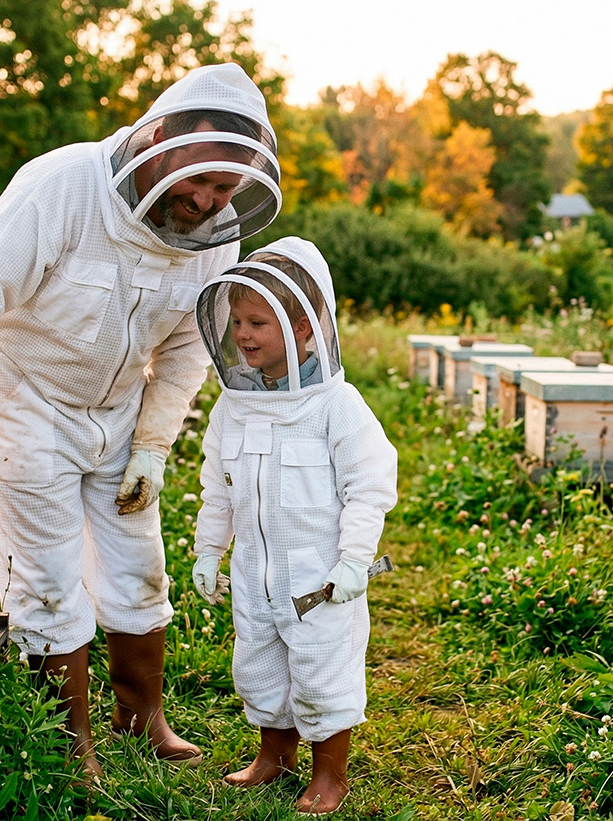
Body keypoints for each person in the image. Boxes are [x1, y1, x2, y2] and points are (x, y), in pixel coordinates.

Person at [0, 63, 282, 779]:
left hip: (118, 413)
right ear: (160, 139)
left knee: (139, 569)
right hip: (27, 404)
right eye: (201, 180)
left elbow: (187, 348)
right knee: (48, 579)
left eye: (225, 189)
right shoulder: (62, 187)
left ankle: (142, 719)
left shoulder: (215, 234)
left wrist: (152, 445)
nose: (207, 201)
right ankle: (68, 742)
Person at [189, 237, 398, 814]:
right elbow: (218, 488)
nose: (242, 334)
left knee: (322, 668)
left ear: (302, 326)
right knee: (259, 662)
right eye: (236, 321)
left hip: (319, 578)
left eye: (257, 322)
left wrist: (354, 561)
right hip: (254, 572)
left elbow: (369, 487)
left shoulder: (337, 406)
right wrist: (209, 551)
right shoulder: (233, 405)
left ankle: (330, 775)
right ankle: (273, 757)